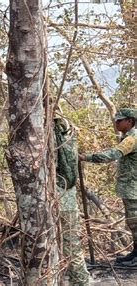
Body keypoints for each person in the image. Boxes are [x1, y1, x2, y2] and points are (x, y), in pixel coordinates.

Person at [79, 108, 137, 266]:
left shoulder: (132, 138)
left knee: (135, 222)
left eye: (120, 120)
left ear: (130, 121)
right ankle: (135, 253)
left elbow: (113, 154)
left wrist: (87, 157)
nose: (116, 122)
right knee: (133, 223)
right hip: (130, 189)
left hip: (134, 189)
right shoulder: (128, 136)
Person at [54, 116, 90, 285]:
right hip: (66, 199)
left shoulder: (53, 133)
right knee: (69, 246)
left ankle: (81, 281)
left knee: (69, 246)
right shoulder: (65, 131)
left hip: (60, 199)